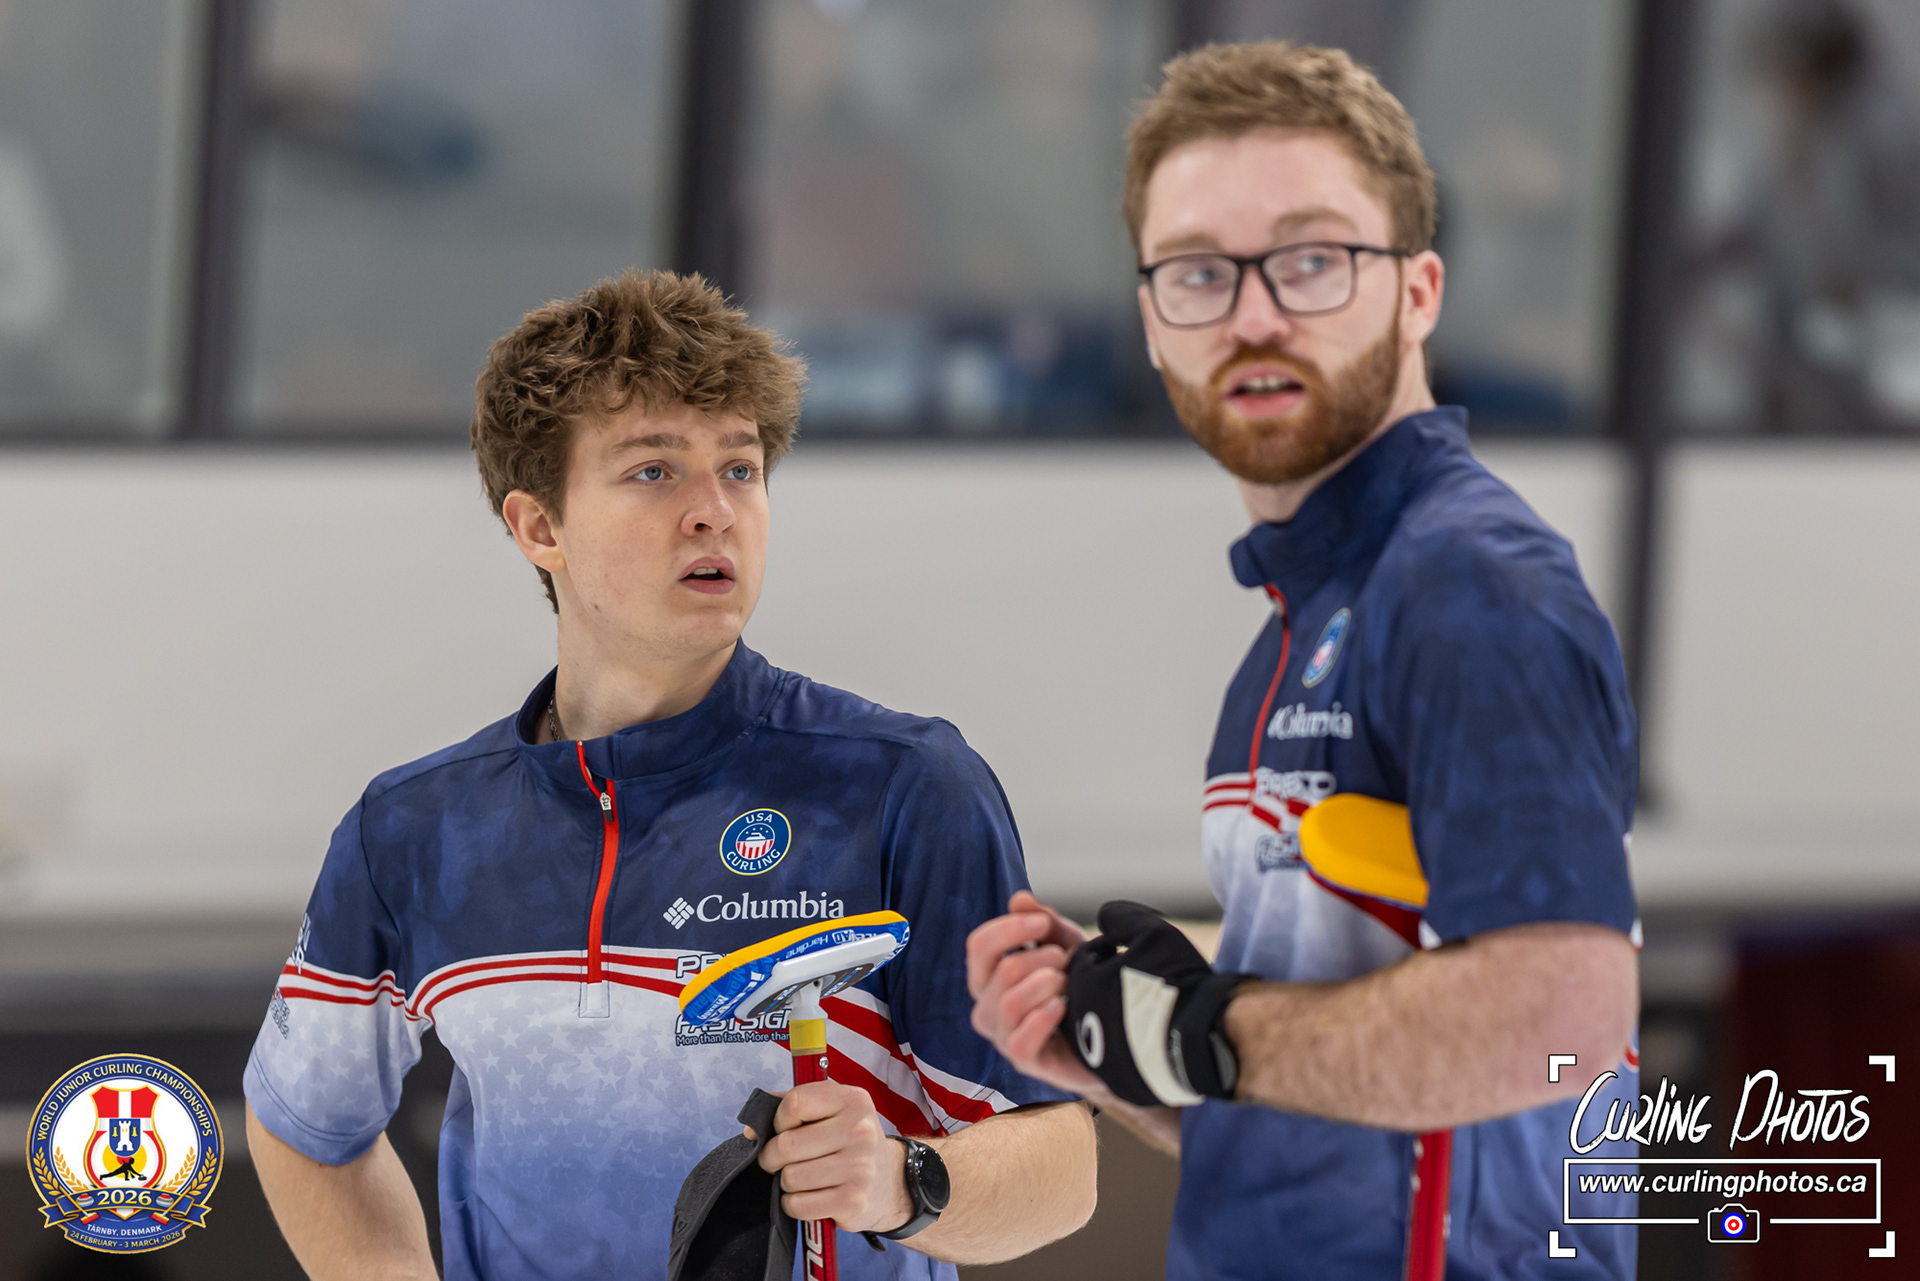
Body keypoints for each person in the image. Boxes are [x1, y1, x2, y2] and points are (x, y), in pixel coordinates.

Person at [242, 270, 1096, 1280]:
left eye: (740, 468)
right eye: (654, 471)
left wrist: (905, 1182)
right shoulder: (414, 829)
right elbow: (302, 1121)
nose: (714, 512)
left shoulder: (905, 787)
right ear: (539, 527)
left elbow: (1064, 1167)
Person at [967, 41, 1641, 1279]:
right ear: (1153, 324)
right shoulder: (1296, 622)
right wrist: (1125, 1055)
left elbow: (1564, 1022)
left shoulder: (1470, 585)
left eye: (1312, 260)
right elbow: (1326, 1115)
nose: (1254, 316)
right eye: (1199, 273)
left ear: (1419, 291)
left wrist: (1210, 1027)